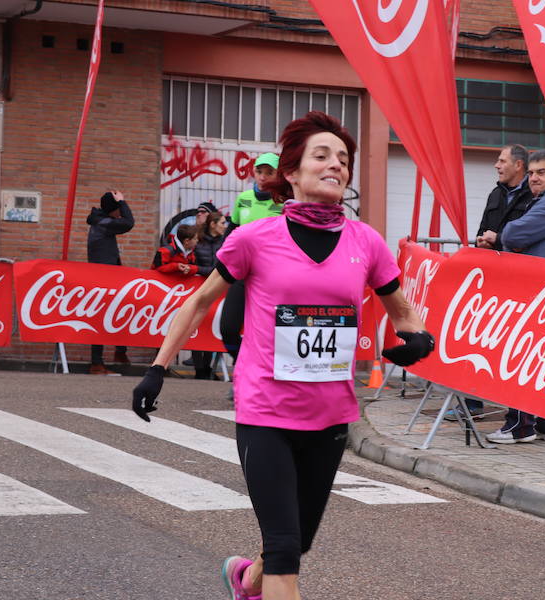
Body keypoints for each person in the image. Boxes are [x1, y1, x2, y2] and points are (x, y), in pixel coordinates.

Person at [131, 111, 434, 600]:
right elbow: (199, 302)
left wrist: (417, 338)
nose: (336, 164)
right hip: (265, 411)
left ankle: (243, 580)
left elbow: (402, 310)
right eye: (322, 155)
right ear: (292, 172)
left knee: (294, 545)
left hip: (331, 415)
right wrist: (156, 369)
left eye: (343, 158)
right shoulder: (253, 238)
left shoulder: (366, 242)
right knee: (285, 548)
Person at [482, 149, 545, 444]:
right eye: (532, 173)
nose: (534, 178)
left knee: (525, 359)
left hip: (541, 294)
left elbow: (513, 233)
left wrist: (506, 236)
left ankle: (520, 427)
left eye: (541, 173)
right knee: (541, 360)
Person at [456, 144, 534, 420]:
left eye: (502, 160)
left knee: (513, 345)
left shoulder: (533, 196)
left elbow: (527, 237)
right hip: (490, 279)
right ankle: (471, 404)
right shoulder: (495, 193)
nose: (496, 165)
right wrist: (481, 240)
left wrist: (498, 239)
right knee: (476, 340)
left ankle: (518, 409)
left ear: (518, 166)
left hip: (519, 283)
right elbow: (481, 230)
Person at [221, 153, 281, 399]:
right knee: (228, 328)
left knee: (268, 333)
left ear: (278, 175)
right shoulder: (243, 199)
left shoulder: (284, 202)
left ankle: (259, 381)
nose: (264, 177)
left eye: (269, 172)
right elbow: (231, 234)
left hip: (272, 278)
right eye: (260, 172)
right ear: (254, 173)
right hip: (242, 274)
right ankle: (242, 367)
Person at [86, 190, 134, 375]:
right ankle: (97, 363)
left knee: (117, 314)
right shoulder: (103, 223)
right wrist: (122, 202)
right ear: (112, 210)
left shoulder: (101, 221)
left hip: (109, 278)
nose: (120, 214)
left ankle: (119, 353)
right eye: (118, 210)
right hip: (103, 279)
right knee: (101, 319)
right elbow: (129, 223)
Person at [191, 211, 229, 379]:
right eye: (222, 223)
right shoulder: (198, 241)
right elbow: (193, 264)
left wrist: (201, 270)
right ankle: (199, 369)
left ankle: (207, 368)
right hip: (198, 288)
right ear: (212, 225)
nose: (225, 226)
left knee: (211, 327)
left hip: (218, 289)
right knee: (196, 326)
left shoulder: (226, 241)